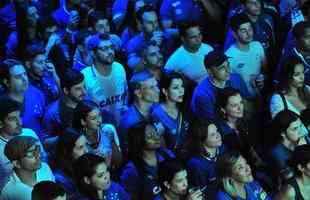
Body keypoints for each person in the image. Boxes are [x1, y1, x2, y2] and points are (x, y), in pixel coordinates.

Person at [0, 97, 46, 191]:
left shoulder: (29, 133)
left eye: (20, 116)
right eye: (12, 119)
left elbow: (44, 159)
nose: (20, 122)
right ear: (0, 123)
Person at [82, 33, 129, 124]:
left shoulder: (119, 68)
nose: (110, 51)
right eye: (104, 49)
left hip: (122, 123)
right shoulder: (85, 76)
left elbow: (126, 92)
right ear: (93, 53)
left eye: (111, 47)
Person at [191, 50, 251, 120]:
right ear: (210, 71)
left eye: (228, 65)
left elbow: (248, 102)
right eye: (222, 68)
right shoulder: (203, 94)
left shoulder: (236, 79)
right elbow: (212, 124)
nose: (228, 70)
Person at [120, 122, 174, 200]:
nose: (156, 137)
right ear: (139, 141)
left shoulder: (167, 154)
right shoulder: (131, 170)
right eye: (149, 136)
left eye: (156, 132)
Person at [0, 59, 46, 140]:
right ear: (7, 82)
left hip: (39, 142)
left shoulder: (37, 93)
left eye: (25, 74)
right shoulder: (2, 106)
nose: (24, 79)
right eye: (18, 77)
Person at [42, 68, 86, 149]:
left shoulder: (87, 101)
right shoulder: (53, 113)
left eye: (84, 86)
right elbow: (45, 142)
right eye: (78, 89)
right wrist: (64, 137)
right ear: (66, 90)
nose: (84, 92)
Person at [1, 136, 55, 200]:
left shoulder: (45, 168)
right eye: (31, 154)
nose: (38, 155)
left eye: (37, 150)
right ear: (17, 164)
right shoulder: (8, 191)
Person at [226, 13, 267, 97]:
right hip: (242, 100)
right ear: (235, 34)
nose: (249, 33)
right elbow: (227, 84)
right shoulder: (229, 56)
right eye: (244, 31)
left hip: (260, 95)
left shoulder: (258, 46)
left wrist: (262, 78)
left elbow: (265, 69)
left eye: (250, 29)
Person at [119, 70, 161, 152]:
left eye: (157, 86)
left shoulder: (155, 109)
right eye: (152, 87)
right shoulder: (129, 122)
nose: (158, 90)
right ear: (138, 93)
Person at [72, 99, 121, 167]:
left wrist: (112, 142)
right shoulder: (80, 141)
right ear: (83, 121)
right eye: (94, 118)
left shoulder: (108, 129)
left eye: (99, 115)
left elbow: (118, 161)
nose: (99, 121)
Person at [186, 120, 226, 198]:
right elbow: (201, 194)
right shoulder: (196, 164)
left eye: (217, 131)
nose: (218, 135)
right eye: (212, 134)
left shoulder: (223, 149)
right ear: (202, 139)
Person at [268, 110, 310, 183]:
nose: (301, 131)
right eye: (295, 129)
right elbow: (291, 179)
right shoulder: (278, 154)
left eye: (300, 126)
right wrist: (303, 150)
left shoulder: (302, 138)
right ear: (283, 133)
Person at [151, 72, 189, 150]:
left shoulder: (184, 108)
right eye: (176, 87)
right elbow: (160, 145)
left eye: (182, 86)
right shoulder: (157, 114)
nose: (181, 91)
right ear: (165, 91)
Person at [51, 127, 88, 199]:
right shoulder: (60, 180)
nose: (86, 150)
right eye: (80, 147)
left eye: (86, 145)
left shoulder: (80, 164)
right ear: (66, 151)